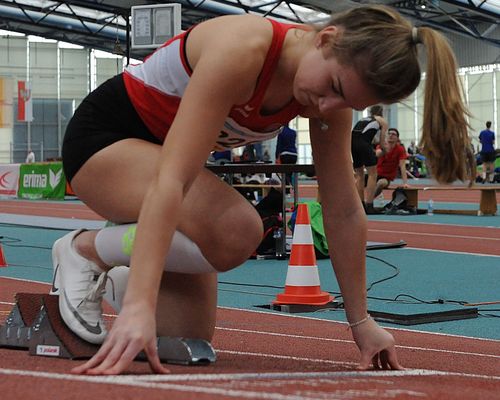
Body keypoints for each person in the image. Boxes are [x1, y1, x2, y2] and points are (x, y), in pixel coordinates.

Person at [53, 5, 474, 375]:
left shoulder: (326, 99)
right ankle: (86, 250)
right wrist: (138, 306)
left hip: (158, 168)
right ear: (326, 39)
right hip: (103, 146)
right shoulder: (243, 49)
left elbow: (344, 211)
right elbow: (172, 180)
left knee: (186, 342)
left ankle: (127, 268)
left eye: (347, 104)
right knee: (238, 230)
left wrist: (361, 323)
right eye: (334, 89)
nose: (327, 108)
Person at [351, 105, 388, 214]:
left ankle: (360, 205)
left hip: (352, 143)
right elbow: (381, 142)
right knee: (372, 174)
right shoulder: (382, 121)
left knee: (359, 175)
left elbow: (363, 134)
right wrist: (385, 151)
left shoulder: (363, 119)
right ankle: (369, 205)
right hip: (363, 144)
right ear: (381, 112)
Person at [374, 128, 409, 198]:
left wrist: (405, 183)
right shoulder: (381, 146)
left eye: (393, 134)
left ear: (397, 138)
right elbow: (377, 154)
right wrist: (385, 149)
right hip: (374, 175)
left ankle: (369, 201)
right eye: (389, 134)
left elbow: (402, 166)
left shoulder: (400, 149)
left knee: (381, 183)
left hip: (386, 178)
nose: (391, 135)